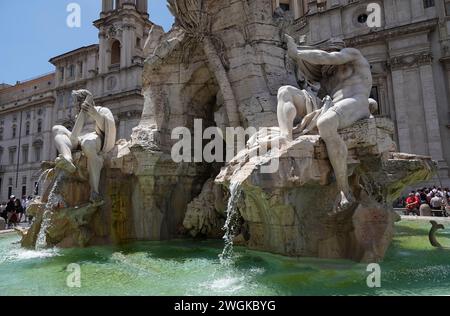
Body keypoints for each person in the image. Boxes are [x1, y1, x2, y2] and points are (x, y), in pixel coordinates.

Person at [281, 35, 375, 212]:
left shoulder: (353, 55)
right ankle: (286, 141)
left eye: (335, 48)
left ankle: (343, 190)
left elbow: (329, 58)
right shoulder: (326, 76)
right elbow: (320, 89)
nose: (332, 52)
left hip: (356, 101)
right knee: (285, 92)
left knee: (326, 122)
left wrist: (297, 53)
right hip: (332, 106)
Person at [52, 89, 116, 203]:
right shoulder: (78, 116)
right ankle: (68, 158)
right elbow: (75, 134)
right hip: (78, 139)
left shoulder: (101, 110)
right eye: (75, 103)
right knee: (56, 129)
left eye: (77, 102)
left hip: (94, 138)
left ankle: (94, 190)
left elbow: (108, 127)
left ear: (84, 101)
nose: (75, 105)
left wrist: (94, 114)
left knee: (88, 144)